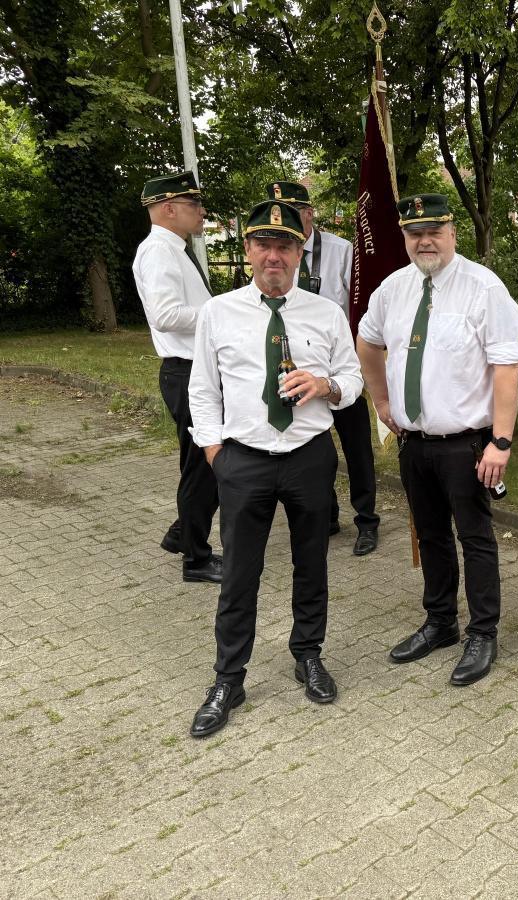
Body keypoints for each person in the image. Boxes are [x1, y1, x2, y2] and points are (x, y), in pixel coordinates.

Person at [187, 200, 364, 738]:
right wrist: (217, 454)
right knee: (240, 571)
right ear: (247, 251)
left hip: (308, 458)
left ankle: (307, 654)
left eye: (284, 245)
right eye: (262, 244)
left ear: (298, 253)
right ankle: (228, 677)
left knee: (312, 563)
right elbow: (202, 391)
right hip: (243, 460)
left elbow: (352, 380)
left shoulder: (325, 313)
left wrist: (326, 385)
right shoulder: (218, 313)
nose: (273, 255)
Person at [357, 194, 518, 687]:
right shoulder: (394, 288)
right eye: (414, 233)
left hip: (467, 444)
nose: (424, 241)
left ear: (453, 233)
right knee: (429, 536)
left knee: (474, 537)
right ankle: (441, 622)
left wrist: (502, 441)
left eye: (434, 231)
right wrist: (382, 401)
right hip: (415, 442)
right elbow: (367, 341)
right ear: (404, 237)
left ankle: (483, 633)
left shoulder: (483, 288)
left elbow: (506, 368)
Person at [267, 181, 379, 556]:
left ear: (310, 213)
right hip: (295, 369)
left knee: (357, 448)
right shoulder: (277, 255)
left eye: (294, 215)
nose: (285, 226)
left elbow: (359, 307)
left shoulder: (341, 251)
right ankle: (327, 514)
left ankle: (367, 521)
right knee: (313, 446)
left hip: (339, 367)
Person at [132, 170, 221, 584]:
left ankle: (183, 533)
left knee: (201, 461)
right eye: (193, 204)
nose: (201, 212)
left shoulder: (172, 249)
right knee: (204, 465)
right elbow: (166, 317)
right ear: (169, 208)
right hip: (185, 373)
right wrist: (221, 313)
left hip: (192, 371)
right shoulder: (159, 252)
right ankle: (196, 559)